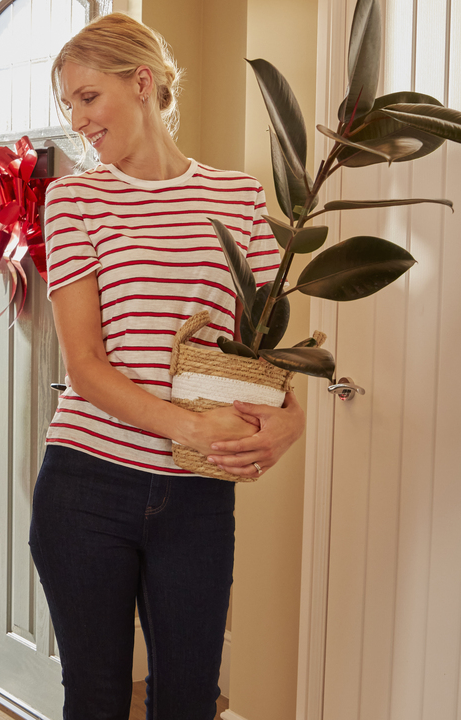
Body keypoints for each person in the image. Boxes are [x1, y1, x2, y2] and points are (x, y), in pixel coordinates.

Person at [29, 14, 307, 720]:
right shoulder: (75, 201)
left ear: (142, 82)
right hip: (86, 486)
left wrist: (289, 422)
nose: (79, 120)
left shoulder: (238, 200)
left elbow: (267, 355)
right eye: (69, 106)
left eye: (88, 97)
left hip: (197, 500)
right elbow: (86, 367)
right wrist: (195, 429)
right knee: (94, 699)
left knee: (188, 701)